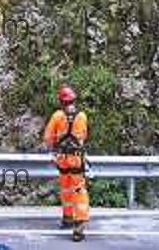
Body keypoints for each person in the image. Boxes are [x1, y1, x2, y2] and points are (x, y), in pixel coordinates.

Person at [44, 84, 90, 242]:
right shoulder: (82, 116)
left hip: (62, 159)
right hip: (76, 158)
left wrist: (54, 149)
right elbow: (84, 135)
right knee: (78, 189)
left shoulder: (57, 116)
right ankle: (79, 225)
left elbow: (48, 138)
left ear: (61, 101)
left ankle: (68, 217)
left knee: (65, 188)